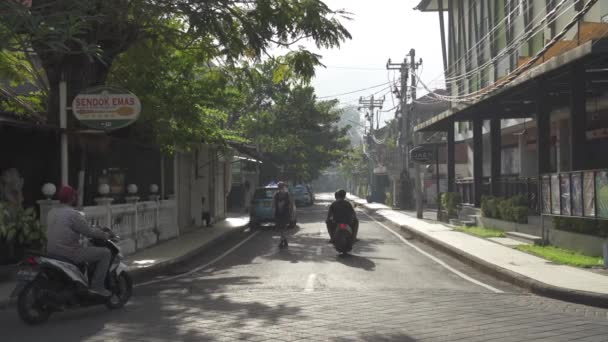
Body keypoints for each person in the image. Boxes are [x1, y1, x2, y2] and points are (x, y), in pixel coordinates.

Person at [46, 186, 112, 297]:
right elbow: (89, 232)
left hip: (51, 252)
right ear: (72, 198)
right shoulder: (73, 214)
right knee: (106, 253)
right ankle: (97, 287)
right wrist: (104, 235)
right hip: (69, 252)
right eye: (74, 196)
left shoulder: (51, 212)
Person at [272, 182, 292, 247]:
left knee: (283, 228)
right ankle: (285, 241)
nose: (280, 188)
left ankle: (281, 242)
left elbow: (289, 204)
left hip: (284, 214)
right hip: (279, 214)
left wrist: (289, 213)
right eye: (279, 187)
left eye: (281, 187)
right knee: (281, 229)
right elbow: (274, 204)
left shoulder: (286, 194)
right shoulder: (276, 194)